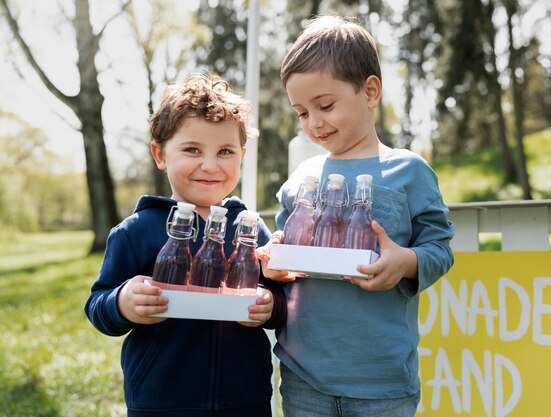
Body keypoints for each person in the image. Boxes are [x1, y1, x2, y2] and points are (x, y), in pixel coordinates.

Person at [259, 15, 455, 417]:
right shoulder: (299, 180)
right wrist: (272, 265)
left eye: (325, 105)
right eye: (301, 112)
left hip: (381, 381)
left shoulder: (409, 172)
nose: (314, 123)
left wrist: (407, 262)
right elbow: (280, 258)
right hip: (303, 375)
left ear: (370, 91)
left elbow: (440, 249)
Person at [84, 74, 286, 417]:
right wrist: (121, 301)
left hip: (245, 400)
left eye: (225, 152)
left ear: (242, 156)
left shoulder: (251, 230)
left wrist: (270, 307)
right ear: (160, 154)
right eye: (192, 150)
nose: (210, 165)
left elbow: (283, 300)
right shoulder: (136, 231)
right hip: (161, 401)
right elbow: (97, 305)